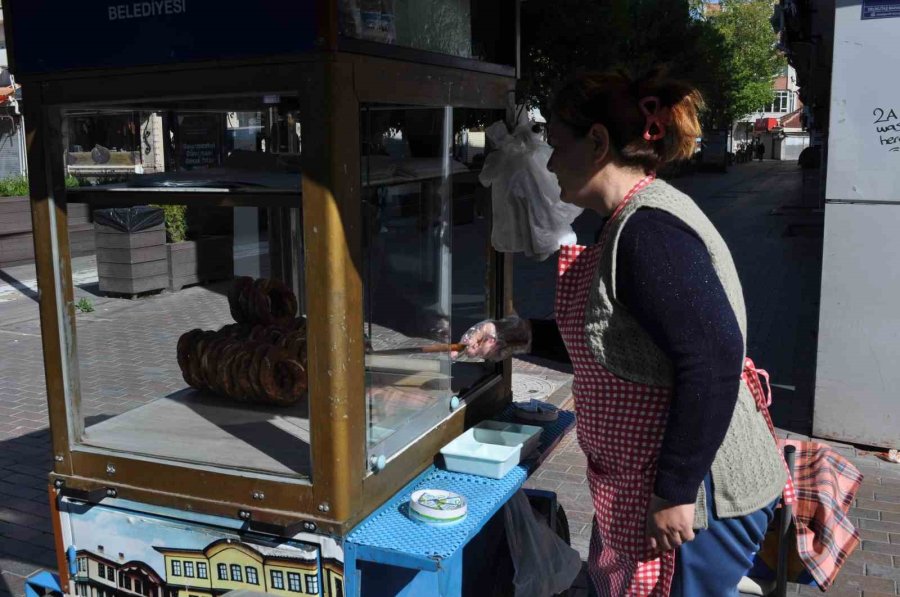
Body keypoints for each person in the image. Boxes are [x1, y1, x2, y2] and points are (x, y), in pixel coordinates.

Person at [456, 70, 789, 596]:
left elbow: (713, 360)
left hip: (701, 496)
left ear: (597, 142)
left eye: (556, 145)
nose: (549, 163)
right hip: (653, 484)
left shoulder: (648, 231)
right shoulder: (625, 220)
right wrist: (522, 335)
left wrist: (674, 492)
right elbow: (620, 341)